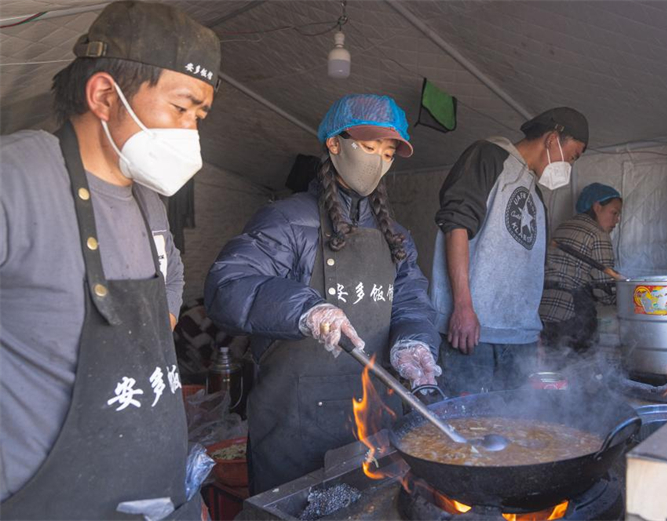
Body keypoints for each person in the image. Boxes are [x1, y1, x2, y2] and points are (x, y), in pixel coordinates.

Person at [0, 2, 220, 518]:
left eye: (199, 117)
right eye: (182, 108)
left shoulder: (149, 200)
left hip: (160, 495)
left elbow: (169, 286)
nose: (191, 131)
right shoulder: (16, 178)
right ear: (104, 95)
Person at [204, 94, 441, 495]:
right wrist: (307, 309)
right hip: (294, 426)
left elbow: (411, 303)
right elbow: (227, 285)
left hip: (374, 422)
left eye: (387, 153)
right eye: (368, 148)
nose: (378, 161)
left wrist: (413, 341)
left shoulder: (396, 236)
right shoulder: (286, 220)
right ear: (334, 144)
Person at [429, 107, 589, 396]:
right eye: (573, 156)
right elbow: (457, 225)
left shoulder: (537, 196)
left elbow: (527, 268)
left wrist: (531, 328)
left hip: (518, 339)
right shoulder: (489, 156)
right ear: (553, 139)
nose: (569, 167)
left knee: (514, 426)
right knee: (466, 428)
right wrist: (463, 306)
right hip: (473, 332)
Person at [539, 183, 622, 356]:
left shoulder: (563, 226)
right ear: (597, 206)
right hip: (572, 315)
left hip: (543, 311)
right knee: (579, 369)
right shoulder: (598, 234)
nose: (617, 220)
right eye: (614, 212)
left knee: (552, 368)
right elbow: (604, 289)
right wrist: (626, 299)